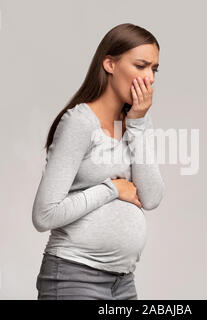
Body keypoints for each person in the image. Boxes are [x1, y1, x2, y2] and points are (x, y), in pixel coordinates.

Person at [32, 23, 164, 300]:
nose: (149, 78)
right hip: (73, 276)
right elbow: (44, 215)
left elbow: (150, 198)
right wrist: (112, 189)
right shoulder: (80, 122)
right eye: (140, 66)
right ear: (110, 64)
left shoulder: (137, 121)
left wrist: (138, 125)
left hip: (123, 281)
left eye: (154, 69)